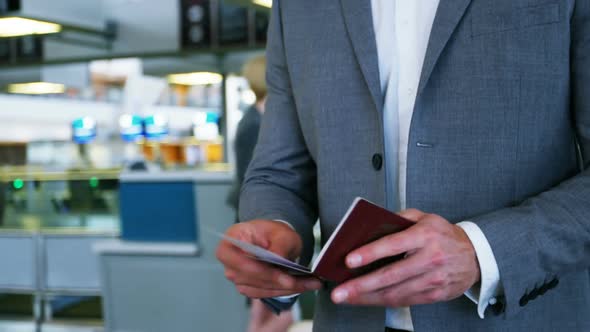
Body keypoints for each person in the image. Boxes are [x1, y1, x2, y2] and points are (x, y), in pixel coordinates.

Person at [217, 1, 590, 331]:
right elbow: (278, 171)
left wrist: (484, 250)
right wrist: (274, 226)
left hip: (519, 316)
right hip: (348, 318)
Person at [226, 54, 296, 332]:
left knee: (267, 307)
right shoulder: (254, 124)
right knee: (276, 310)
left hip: (259, 224)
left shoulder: (260, 118)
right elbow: (258, 179)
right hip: (258, 224)